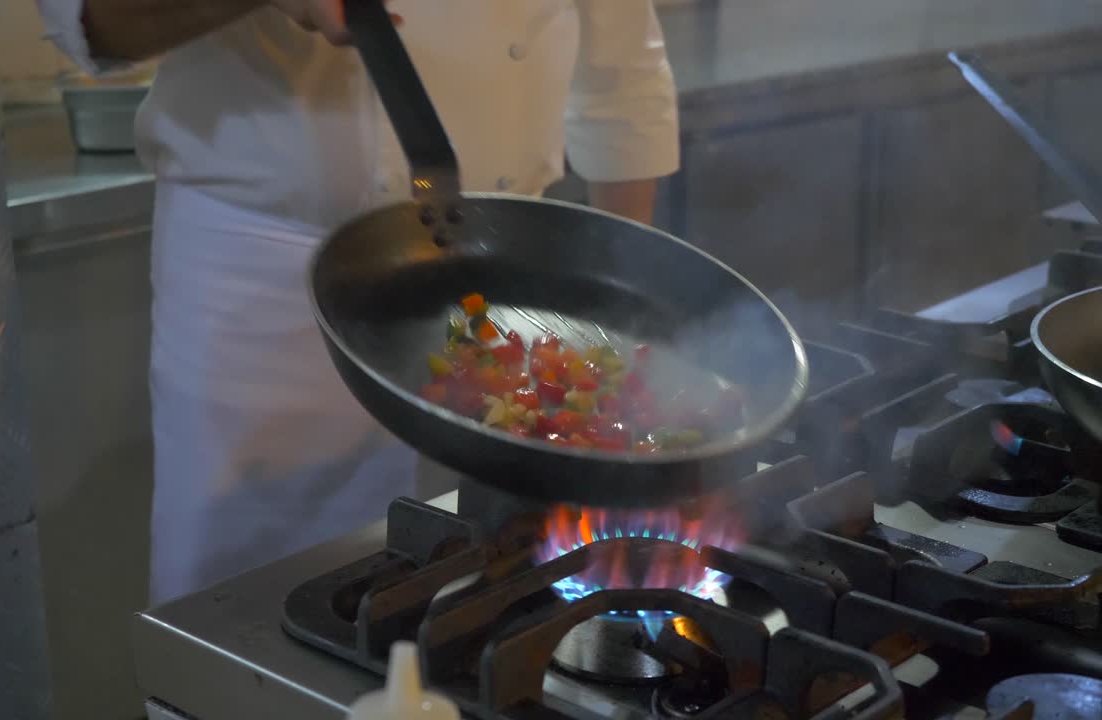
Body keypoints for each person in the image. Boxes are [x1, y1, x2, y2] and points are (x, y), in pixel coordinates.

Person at [36, 0, 680, 603]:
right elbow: (89, 18)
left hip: (507, 279)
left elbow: (621, 66)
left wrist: (614, 325)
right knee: (248, 609)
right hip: (270, 286)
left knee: (480, 617)